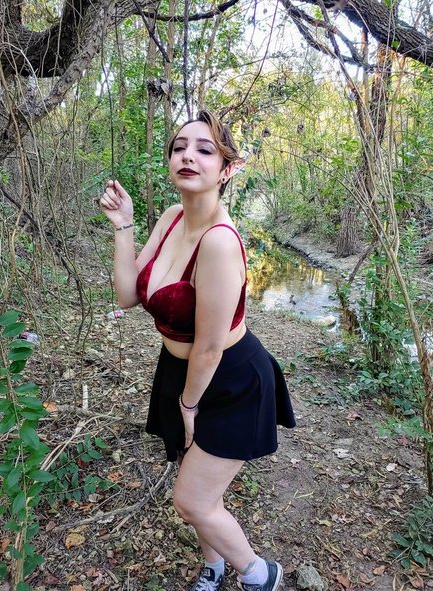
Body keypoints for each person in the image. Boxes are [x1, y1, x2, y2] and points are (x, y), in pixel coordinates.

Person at [100, 110, 296, 591]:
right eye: (179, 147)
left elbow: (209, 346)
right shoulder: (171, 218)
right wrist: (123, 226)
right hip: (179, 371)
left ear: (227, 169)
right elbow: (127, 295)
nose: (188, 156)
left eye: (205, 150)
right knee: (198, 488)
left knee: (190, 500)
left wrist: (189, 405)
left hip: (229, 379)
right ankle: (214, 566)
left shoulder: (220, 243)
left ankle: (260, 575)